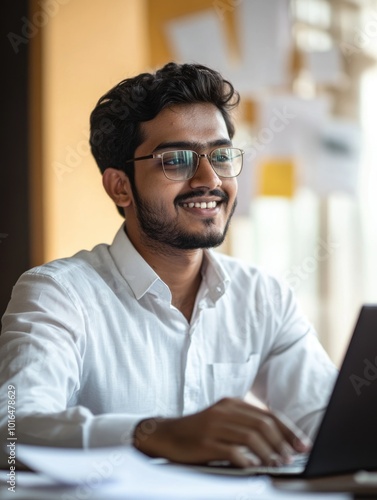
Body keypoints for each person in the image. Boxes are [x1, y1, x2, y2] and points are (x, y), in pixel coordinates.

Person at [0, 62, 337, 469]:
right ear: (120, 186)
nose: (208, 179)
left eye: (221, 155)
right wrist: (152, 434)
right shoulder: (59, 294)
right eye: (176, 160)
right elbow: (12, 430)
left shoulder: (263, 298)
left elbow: (327, 425)